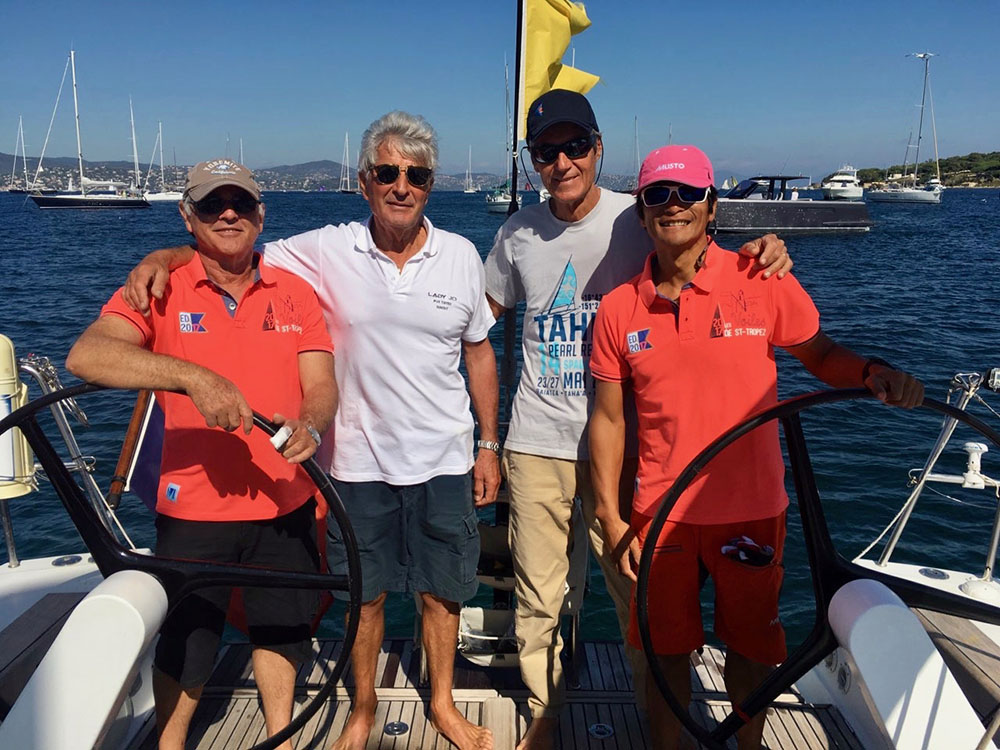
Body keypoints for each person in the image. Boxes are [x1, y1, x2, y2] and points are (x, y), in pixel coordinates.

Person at [121, 112, 498, 750]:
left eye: (417, 175)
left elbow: (480, 354)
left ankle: (442, 704)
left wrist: (488, 444)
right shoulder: (327, 247)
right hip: (354, 461)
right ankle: (362, 709)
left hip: (445, 459)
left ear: (431, 184)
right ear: (364, 182)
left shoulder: (460, 255)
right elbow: (233, 246)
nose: (402, 186)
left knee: (443, 593)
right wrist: (166, 254)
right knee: (365, 595)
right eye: (387, 172)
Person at [483, 89, 793, 750]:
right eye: (546, 151)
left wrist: (769, 247)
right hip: (536, 443)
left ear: (597, 149)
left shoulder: (643, 212)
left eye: (574, 146)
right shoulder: (514, 234)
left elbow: (707, 255)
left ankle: (659, 723)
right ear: (534, 161)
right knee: (539, 601)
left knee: (639, 601)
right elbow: (476, 322)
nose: (561, 161)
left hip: (627, 451)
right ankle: (545, 718)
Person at [588, 144, 924, 749]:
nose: (674, 206)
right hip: (659, 516)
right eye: (658, 195)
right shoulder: (616, 309)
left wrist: (872, 371)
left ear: (711, 206)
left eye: (688, 193)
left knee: (749, 652)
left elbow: (819, 355)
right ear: (641, 213)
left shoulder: (762, 278)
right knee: (666, 660)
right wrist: (612, 519)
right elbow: (608, 422)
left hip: (752, 509)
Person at [66, 158, 337, 750]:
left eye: (241, 203)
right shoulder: (159, 287)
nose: (230, 214)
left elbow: (320, 384)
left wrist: (311, 424)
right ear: (188, 217)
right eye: (213, 205)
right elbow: (87, 356)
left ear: (261, 215)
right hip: (192, 508)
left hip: (284, 498)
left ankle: (280, 738)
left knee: (281, 631)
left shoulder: (295, 293)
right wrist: (192, 377)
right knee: (188, 642)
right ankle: (170, 743)